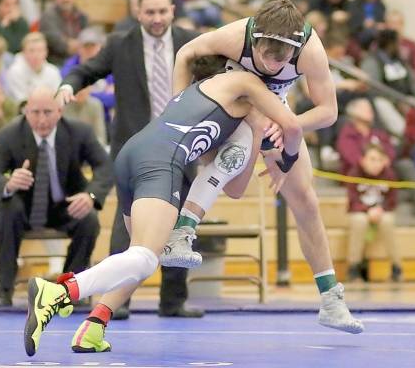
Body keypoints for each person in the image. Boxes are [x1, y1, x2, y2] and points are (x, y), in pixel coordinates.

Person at [24, 55, 304, 356]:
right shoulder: (245, 95)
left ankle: (94, 325)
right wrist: (275, 148)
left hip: (132, 152)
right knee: (145, 257)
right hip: (160, 163)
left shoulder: (197, 94)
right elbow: (243, 180)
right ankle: (58, 292)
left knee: (140, 254)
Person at [147, 0, 364, 334]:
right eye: (264, 54)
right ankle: (183, 232)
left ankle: (331, 300)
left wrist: (288, 137)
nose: (270, 64)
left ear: (294, 50)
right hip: (233, 105)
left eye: (280, 60)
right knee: (231, 166)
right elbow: (185, 53)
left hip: (275, 110)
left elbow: (328, 112)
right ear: (256, 39)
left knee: (306, 202)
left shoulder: (311, 49)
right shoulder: (236, 35)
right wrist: (180, 108)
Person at [57, 0, 202, 319]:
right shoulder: (120, 44)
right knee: (127, 226)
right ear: (138, 13)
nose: (156, 18)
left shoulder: (191, 43)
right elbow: (86, 70)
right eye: (149, 12)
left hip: (181, 146)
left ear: (172, 11)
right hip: (134, 150)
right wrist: (68, 85)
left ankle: (173, 301)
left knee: (179, 227)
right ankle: (116, 302)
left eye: (162, 11)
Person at [0, 86, 114, 307]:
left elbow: (106, 166)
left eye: (48, 112)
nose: (41, 119)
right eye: (35, 112)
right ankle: (4, 289)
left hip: (65, 205)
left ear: (60, 111)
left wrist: (90, 195)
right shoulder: (9, 135)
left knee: (89, 219)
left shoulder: (79, 132)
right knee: (6, 209)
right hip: (22, 207)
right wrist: (9, 183)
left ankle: (69, 289)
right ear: (25, 112)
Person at [346, 143, 402, 282]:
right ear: (363, 160)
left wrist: (380, 209)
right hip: (361, 212)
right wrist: (367, 210)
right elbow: (352, 201)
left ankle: (397, 267)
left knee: (388, 221)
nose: (376, 164)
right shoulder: (354, 174)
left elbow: (392, 201)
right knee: (359, 221)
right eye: (372, 159)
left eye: (380, 160)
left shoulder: (389, 175)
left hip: (382, 211)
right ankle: (354, 268)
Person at [39, 0, 88, 66]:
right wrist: (82, 46)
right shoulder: (47, 16)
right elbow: (61, 46)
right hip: (56, 64)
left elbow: (89, 41)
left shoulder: (82, 16)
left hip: (79, 62)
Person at [6, 32, 62, 102]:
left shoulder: (53, 71)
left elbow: (58, 98)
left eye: (40, 50)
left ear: (46, 52)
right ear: (23, 52)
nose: (36, 55)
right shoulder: (15, 72)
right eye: (31, 51)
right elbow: (21, 102)